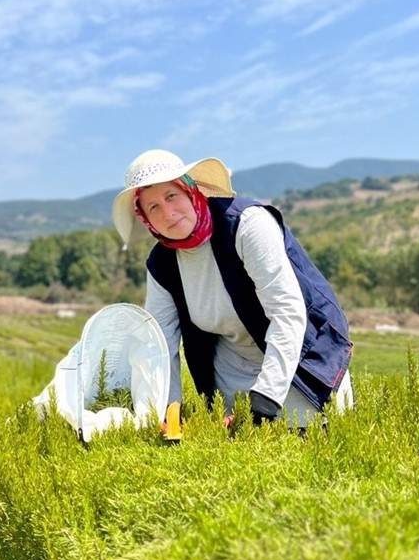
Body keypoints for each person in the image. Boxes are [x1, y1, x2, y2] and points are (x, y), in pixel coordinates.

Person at [113, 150, 353, 428]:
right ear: (145, 218)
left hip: (301, 357)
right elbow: (160, 343)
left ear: (191, 191)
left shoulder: (247, 225)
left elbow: (287, 312)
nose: (168, 213)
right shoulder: (162, 264)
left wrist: (265, 400)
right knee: (234, 435)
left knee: (302, 431)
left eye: (171, 196)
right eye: (153, 207)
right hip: (235, 367)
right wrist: (168, 410)